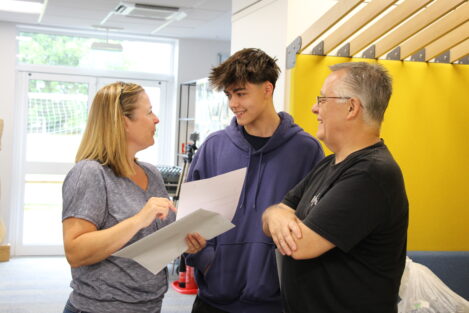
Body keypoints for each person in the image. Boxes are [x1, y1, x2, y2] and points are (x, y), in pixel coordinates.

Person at [185, 48, 324, 313]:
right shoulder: (213, 147)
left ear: (267, 89)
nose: (233, 103)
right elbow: (191, 222)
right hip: (213, 300)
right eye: (229, 95)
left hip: (275, 303)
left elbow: (314, 223)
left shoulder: (306, 150)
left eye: (240, 93)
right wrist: (205, 258)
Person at [262, 62, 409, 313]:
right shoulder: (331, 163)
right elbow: (275, 212)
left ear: (351, 107)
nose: (314, 108)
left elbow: (299, 245)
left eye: (323, 99)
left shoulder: (371, 174)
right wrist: (275, 214)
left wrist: (277, 216)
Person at [61, 82, 206, 313]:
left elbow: (151, 244)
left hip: (149, 306)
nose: (156, 119)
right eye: (149, 112)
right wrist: (139, 219)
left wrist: (185, 244)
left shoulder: (151, 173)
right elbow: (76, 252)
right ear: (123, 121)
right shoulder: (90, 173)